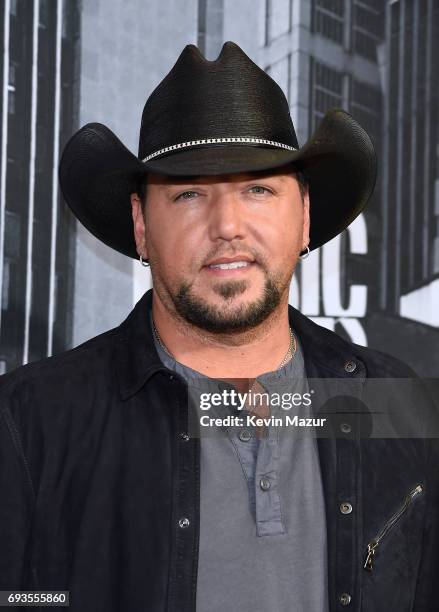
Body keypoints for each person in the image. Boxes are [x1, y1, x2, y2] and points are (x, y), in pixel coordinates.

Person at [0, 41, 437, 612]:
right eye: (188, 194)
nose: (227, 225)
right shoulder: (32, 421)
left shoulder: (394, 404)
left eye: (258, 188)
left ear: (304, 216)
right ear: (140, 225)